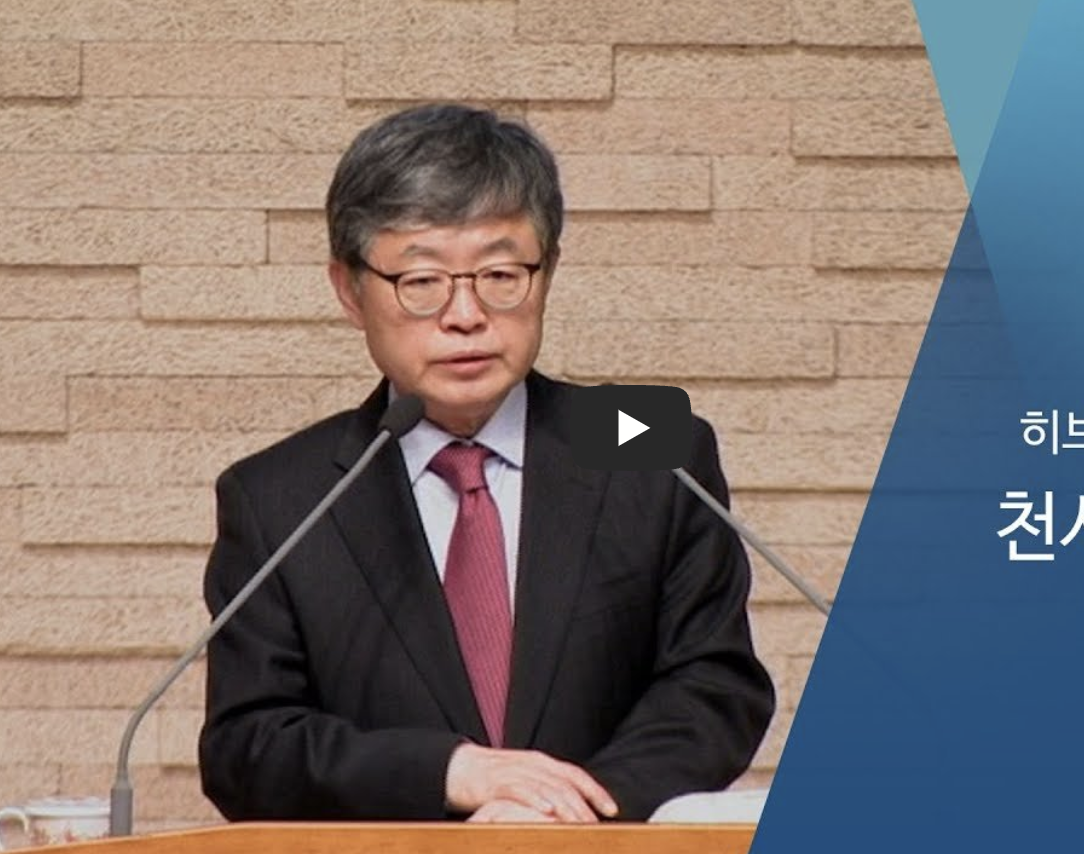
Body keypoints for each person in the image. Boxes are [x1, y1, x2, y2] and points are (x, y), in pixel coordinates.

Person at [197, 103, 774, 823]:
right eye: (422, 281)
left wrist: (567, 812)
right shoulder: (281, 496)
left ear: (547, 271)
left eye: (501, 274)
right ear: (349, 290)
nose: (466, 315)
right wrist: (451, 771)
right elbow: (248, 746)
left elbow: (714, 686)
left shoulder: (655, 447)